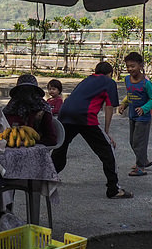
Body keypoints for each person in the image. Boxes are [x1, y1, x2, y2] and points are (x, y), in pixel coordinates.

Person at [56, 61, 132, 199]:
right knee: (107, 150)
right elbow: (109, 107)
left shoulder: (86, 80)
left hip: (65, 114)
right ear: (110, 74)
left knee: (60, 148)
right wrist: (107, 132)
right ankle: (113, 189)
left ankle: (47, 177)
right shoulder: (109, 82)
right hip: (84, 116)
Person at [118, 52, 152, 176]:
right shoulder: (127, 79)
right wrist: (124, 104)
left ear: (140, 65)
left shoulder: (146, 83)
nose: (130, 69)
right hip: (132, 115)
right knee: (132, 141)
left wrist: (144, 108)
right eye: (128, 66)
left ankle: (141, 167)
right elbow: (130, 95)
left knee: (139, 142)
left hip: (143, 117)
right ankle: (143, 160)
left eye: (133, 66)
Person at [1, 74, 58, 146]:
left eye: (29, 90)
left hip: (36, 146)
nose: (26, 94)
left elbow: (51, 140)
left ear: (35, 92)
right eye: (23, 90)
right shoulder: (11, 108)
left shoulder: (43, 109)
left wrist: (30, 141)